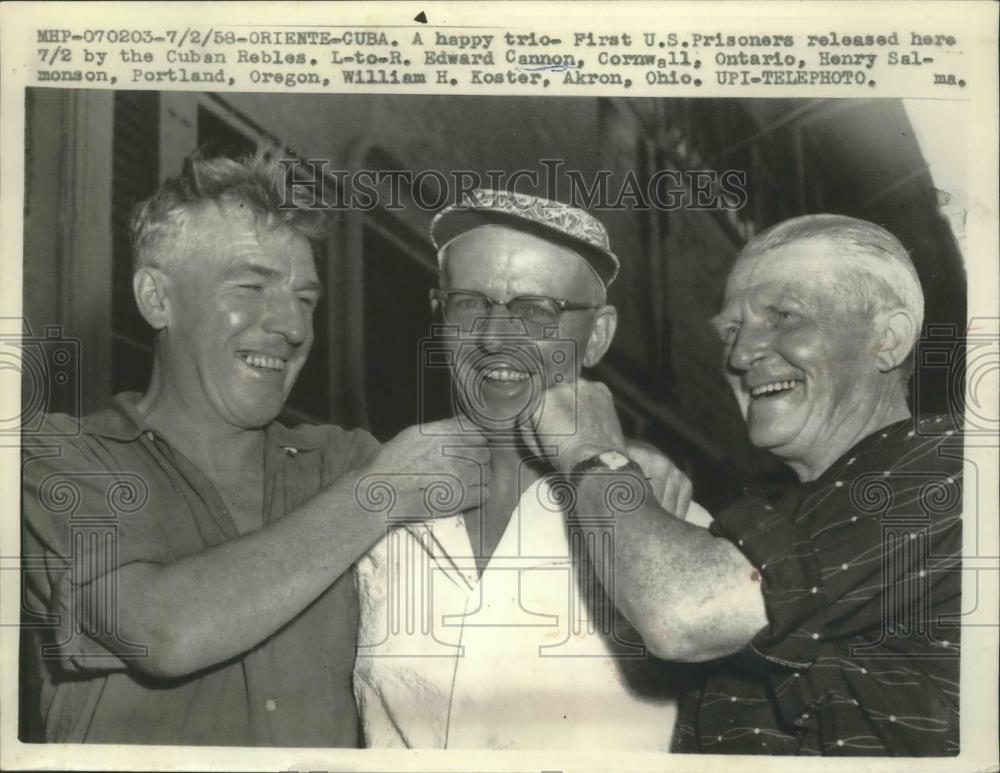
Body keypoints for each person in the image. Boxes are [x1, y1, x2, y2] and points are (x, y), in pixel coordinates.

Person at [20, 152, 489, 746]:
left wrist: (609, 465)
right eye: (251, 284)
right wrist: (382, 493)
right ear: (155, 298)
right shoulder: (59, 456)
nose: (292, 326)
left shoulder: (339, 461)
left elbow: (515, 488)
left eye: (306, 300)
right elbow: (164, 632)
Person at [526, 214, 962, 755]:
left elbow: (684, 613)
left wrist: (592, 452)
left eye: (783, 316)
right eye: (731, 330)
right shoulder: (787, 513)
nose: (739, 355)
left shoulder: (950, 467)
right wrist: (632, 484)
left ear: (888, 338)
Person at [353, 189, 709, 750]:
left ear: (597, 336)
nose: (496, 339)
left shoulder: (668, 518)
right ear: (439, 316)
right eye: (470, 304)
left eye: (536, 311)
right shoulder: (375, 512)